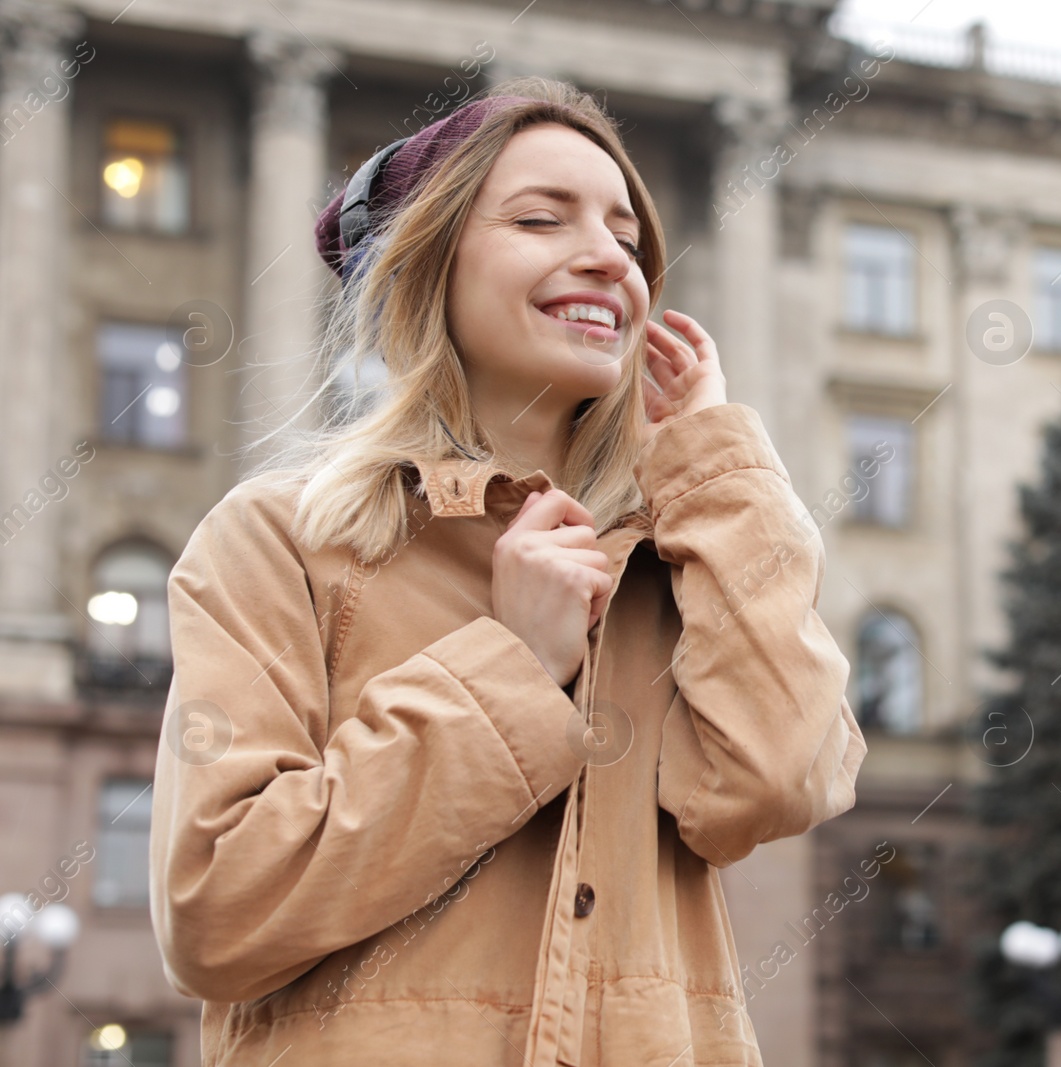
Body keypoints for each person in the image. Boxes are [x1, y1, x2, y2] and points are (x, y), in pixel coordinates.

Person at [149, 77, 867, 1066]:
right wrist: (512, 665)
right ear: (424, 267)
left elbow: (775, 784)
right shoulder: (282, 538)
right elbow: (219, 906)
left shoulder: (677, 560)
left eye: (626, 237)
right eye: (540, 217)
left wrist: (715, 471)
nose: (605, 258)